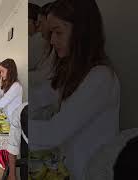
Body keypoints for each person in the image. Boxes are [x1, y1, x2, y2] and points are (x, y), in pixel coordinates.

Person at [30, 0, 120, 179]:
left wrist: (17, 126)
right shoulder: (72, 70)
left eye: (58, 32)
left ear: (81, 32)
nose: (53, 41)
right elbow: (41, 96)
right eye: (51, 33)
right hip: (68, 165)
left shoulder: (100, 77)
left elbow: (54, 133)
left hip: (89, 171)